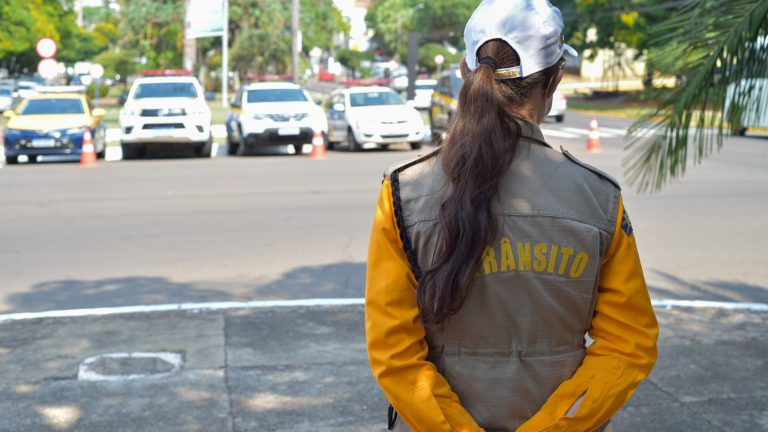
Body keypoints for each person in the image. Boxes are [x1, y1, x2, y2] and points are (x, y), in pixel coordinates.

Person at [364, 1, 659, 431]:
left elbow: (394, 352)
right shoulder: (600, 198)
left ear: (466, 72)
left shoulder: (402, 192)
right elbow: (629, 344)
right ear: (555, 78)